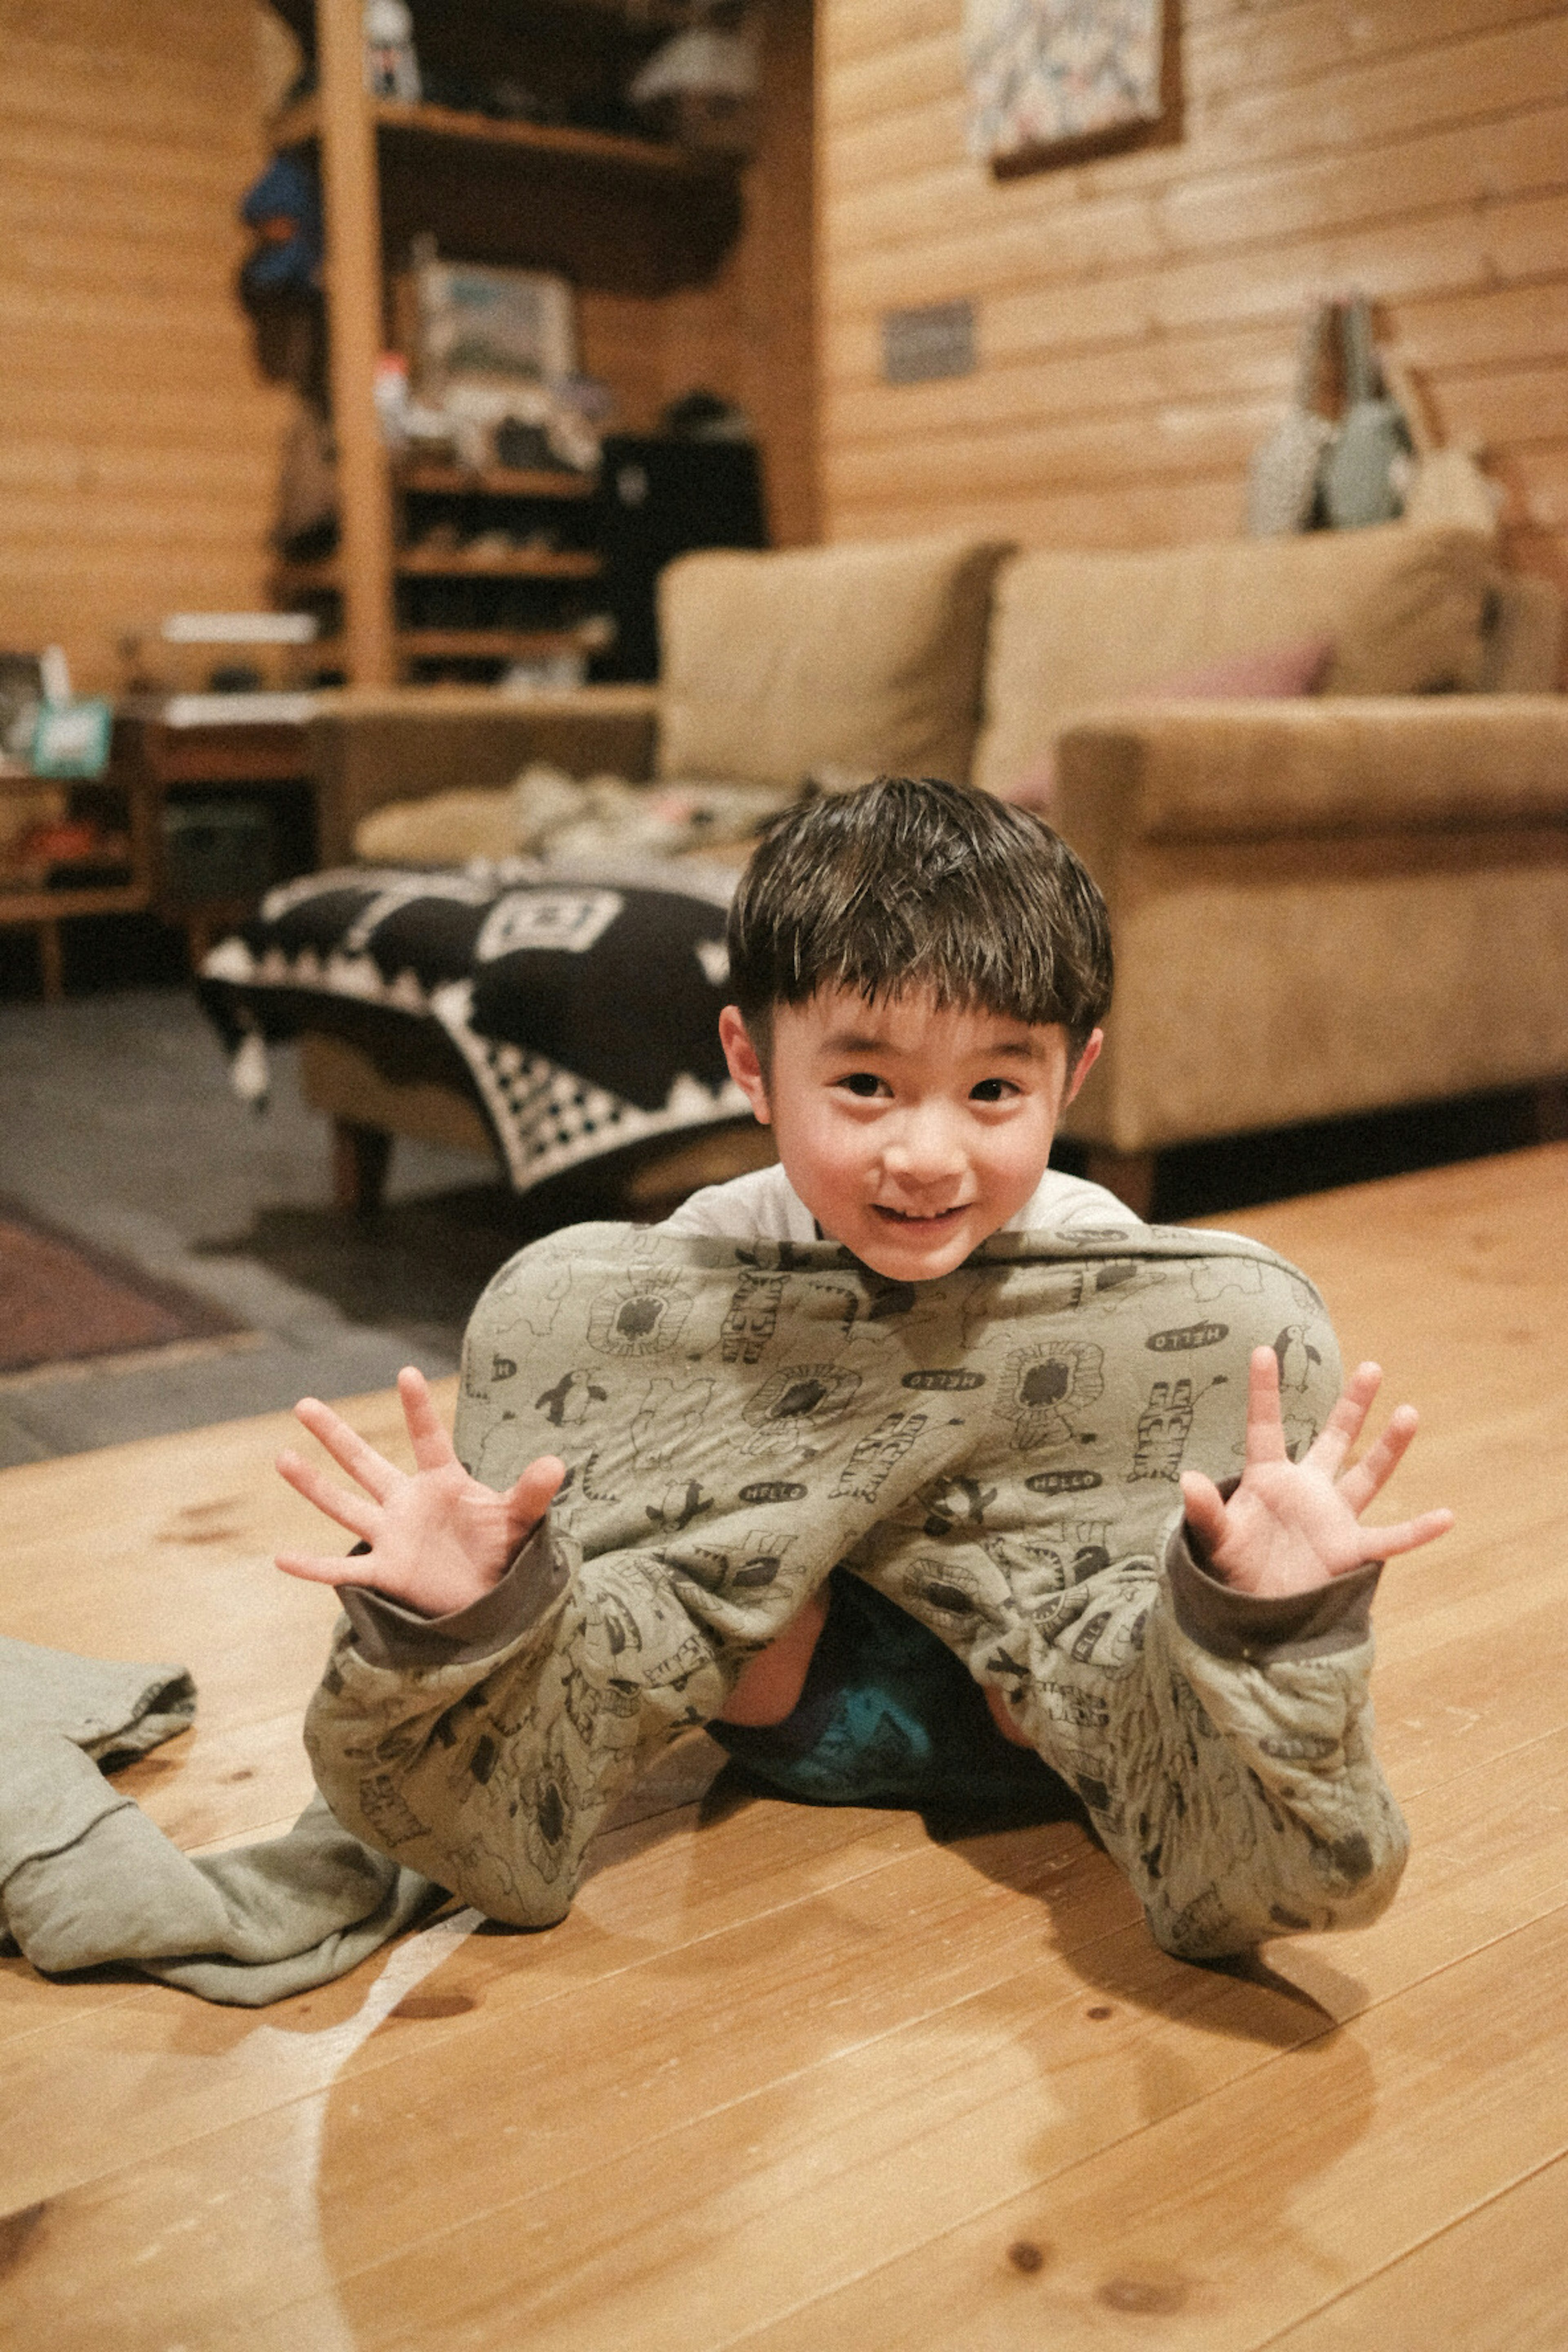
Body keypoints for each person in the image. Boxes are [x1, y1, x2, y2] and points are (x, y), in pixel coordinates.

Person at [276, 778, 1452, 1957]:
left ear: (1073, 1076)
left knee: (1108, 1644)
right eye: (865, 1087)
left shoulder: (1113, 1280)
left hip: (1055, 1738)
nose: (927, 1156)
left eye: (995, 1090)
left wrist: (1252, 1602)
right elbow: (637, 1583)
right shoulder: (692, 1275)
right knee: (751, 1610)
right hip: (798, 1712)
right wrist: (467, 1610)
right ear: (752, 1059)